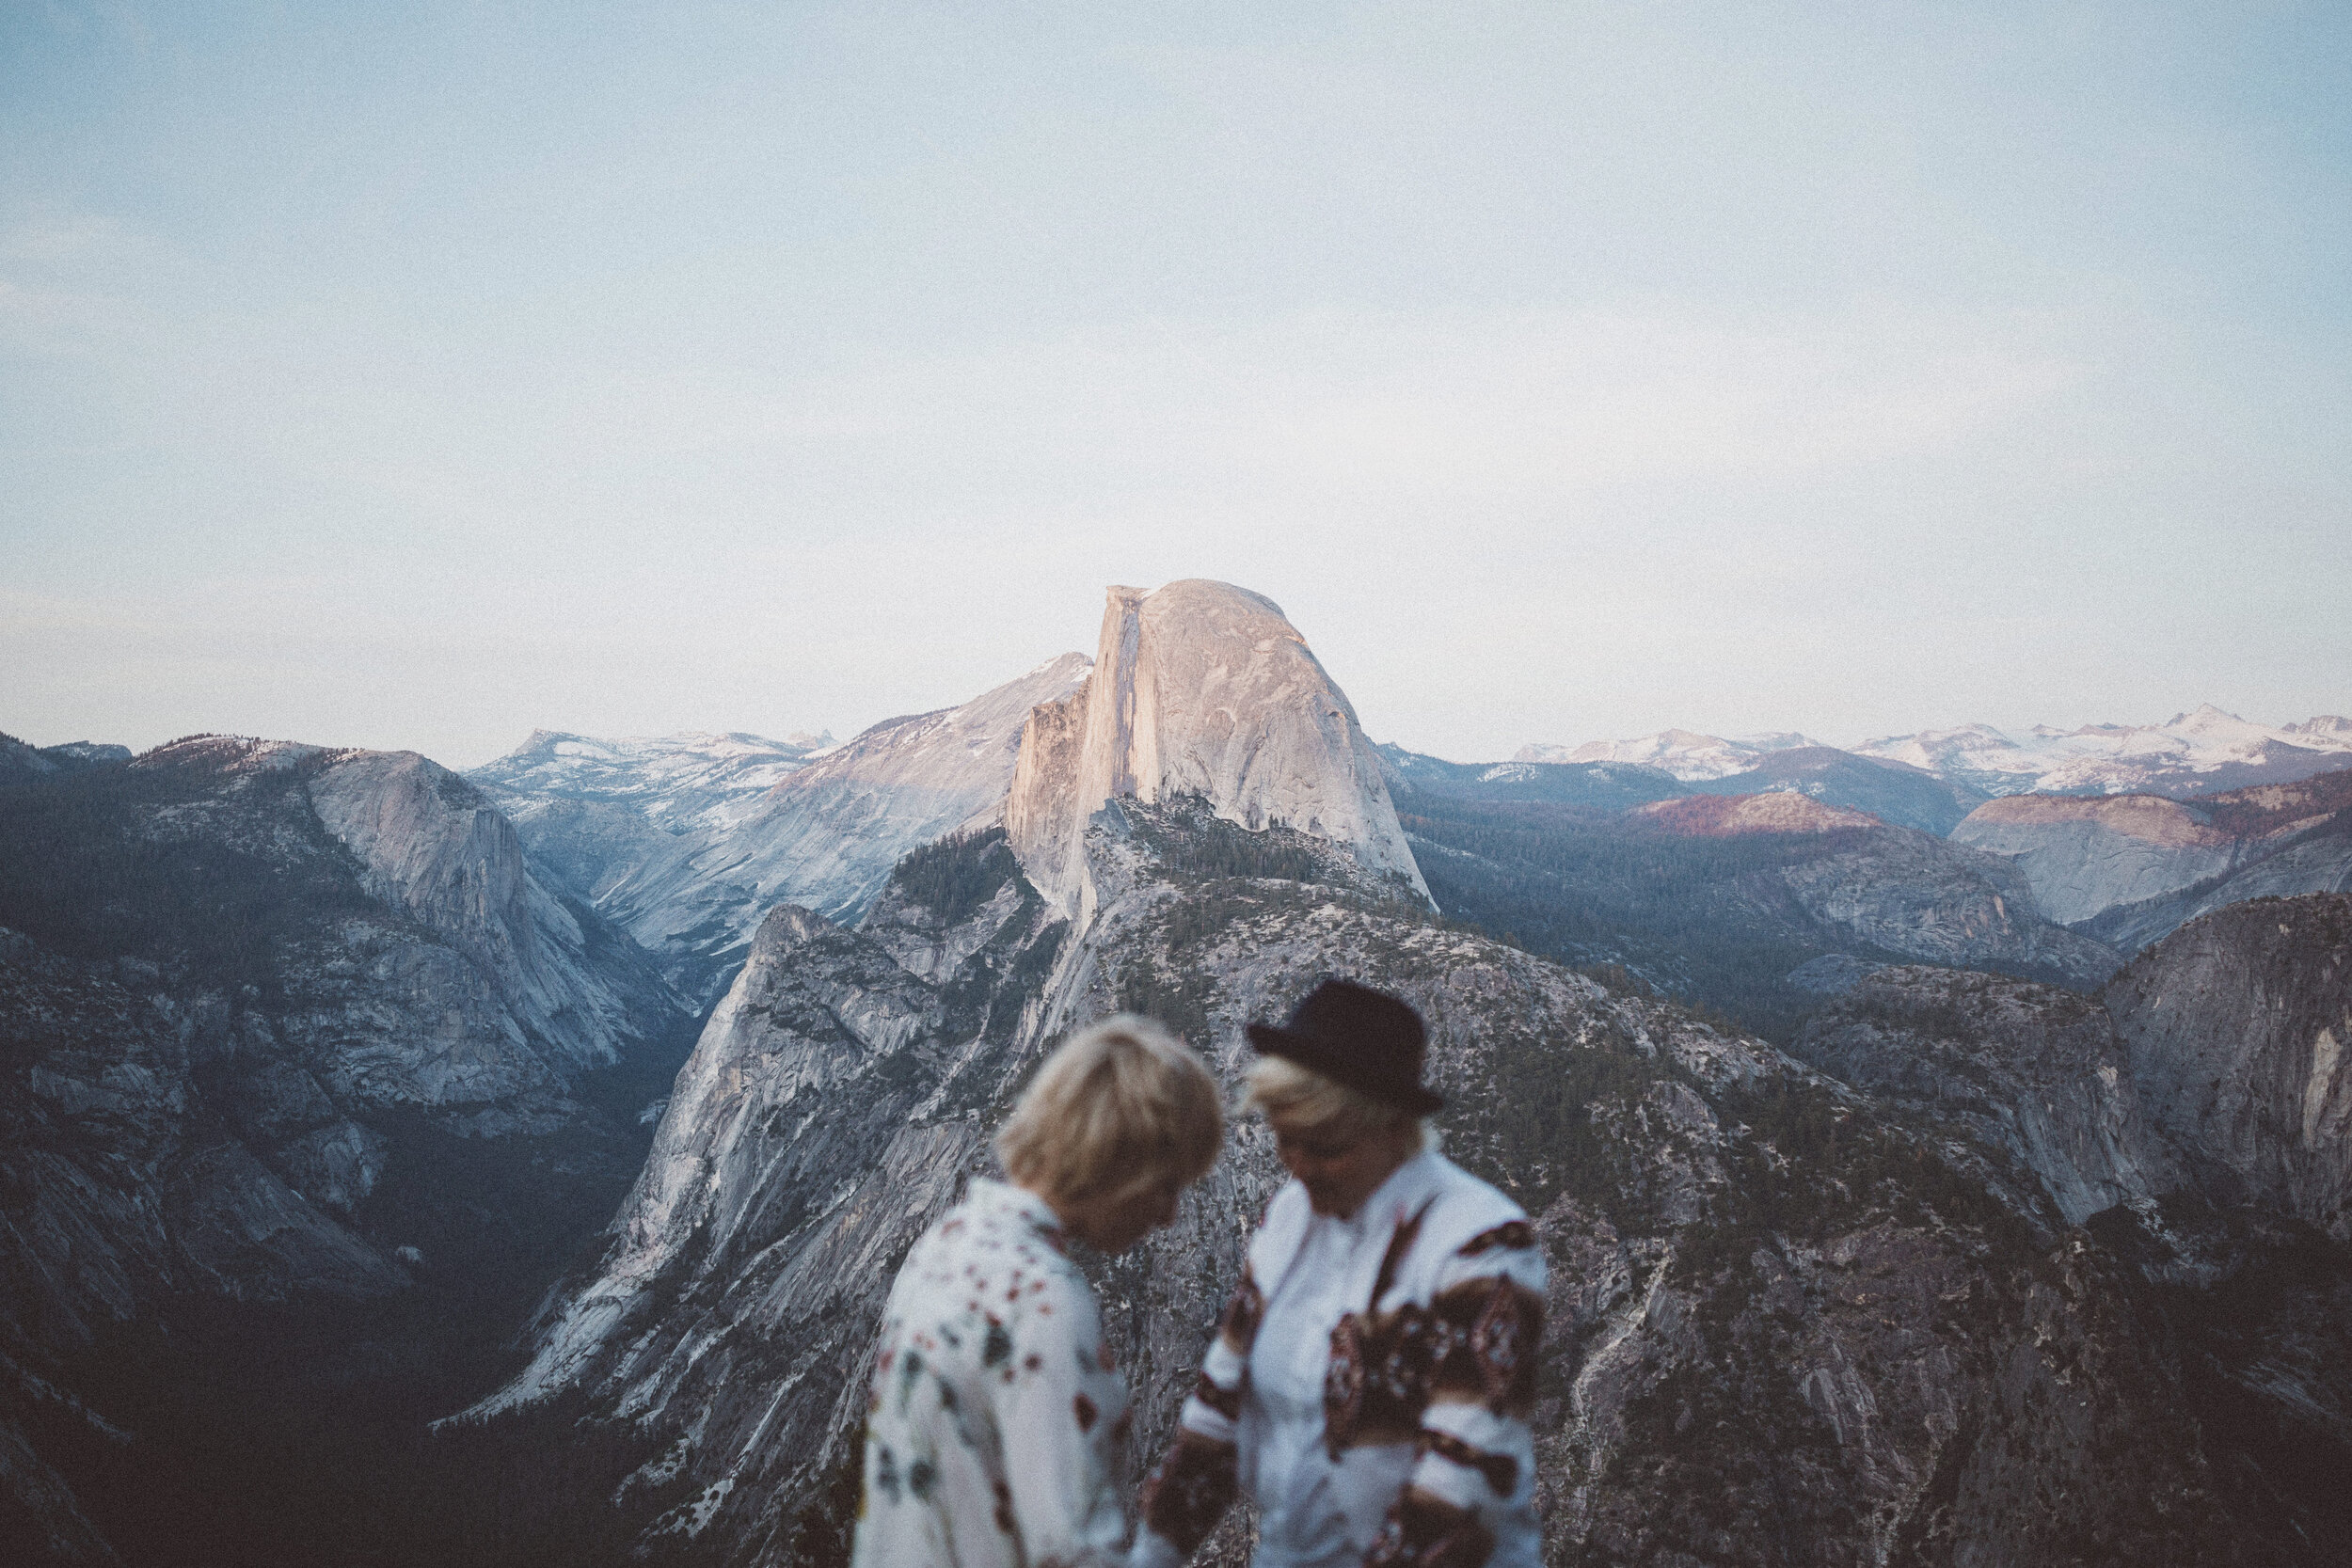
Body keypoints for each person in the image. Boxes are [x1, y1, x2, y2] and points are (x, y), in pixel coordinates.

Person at [1134, 979, 1546, 1568]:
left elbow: (1462, 1476)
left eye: (1326, 1147)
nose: (1299, 1167)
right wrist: (1151, 1554)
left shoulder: (1481, 1244)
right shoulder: (1288, 1220)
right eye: (1285, 1140)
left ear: (1392, 1128)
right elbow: (1216, 1412)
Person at [852, 1015, 1224, 1568]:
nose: (1170, 1216)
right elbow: (1070, 1549)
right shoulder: (1044, 1302)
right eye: (1167, 1184)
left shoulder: (950, 1240)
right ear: (1119, 1160)